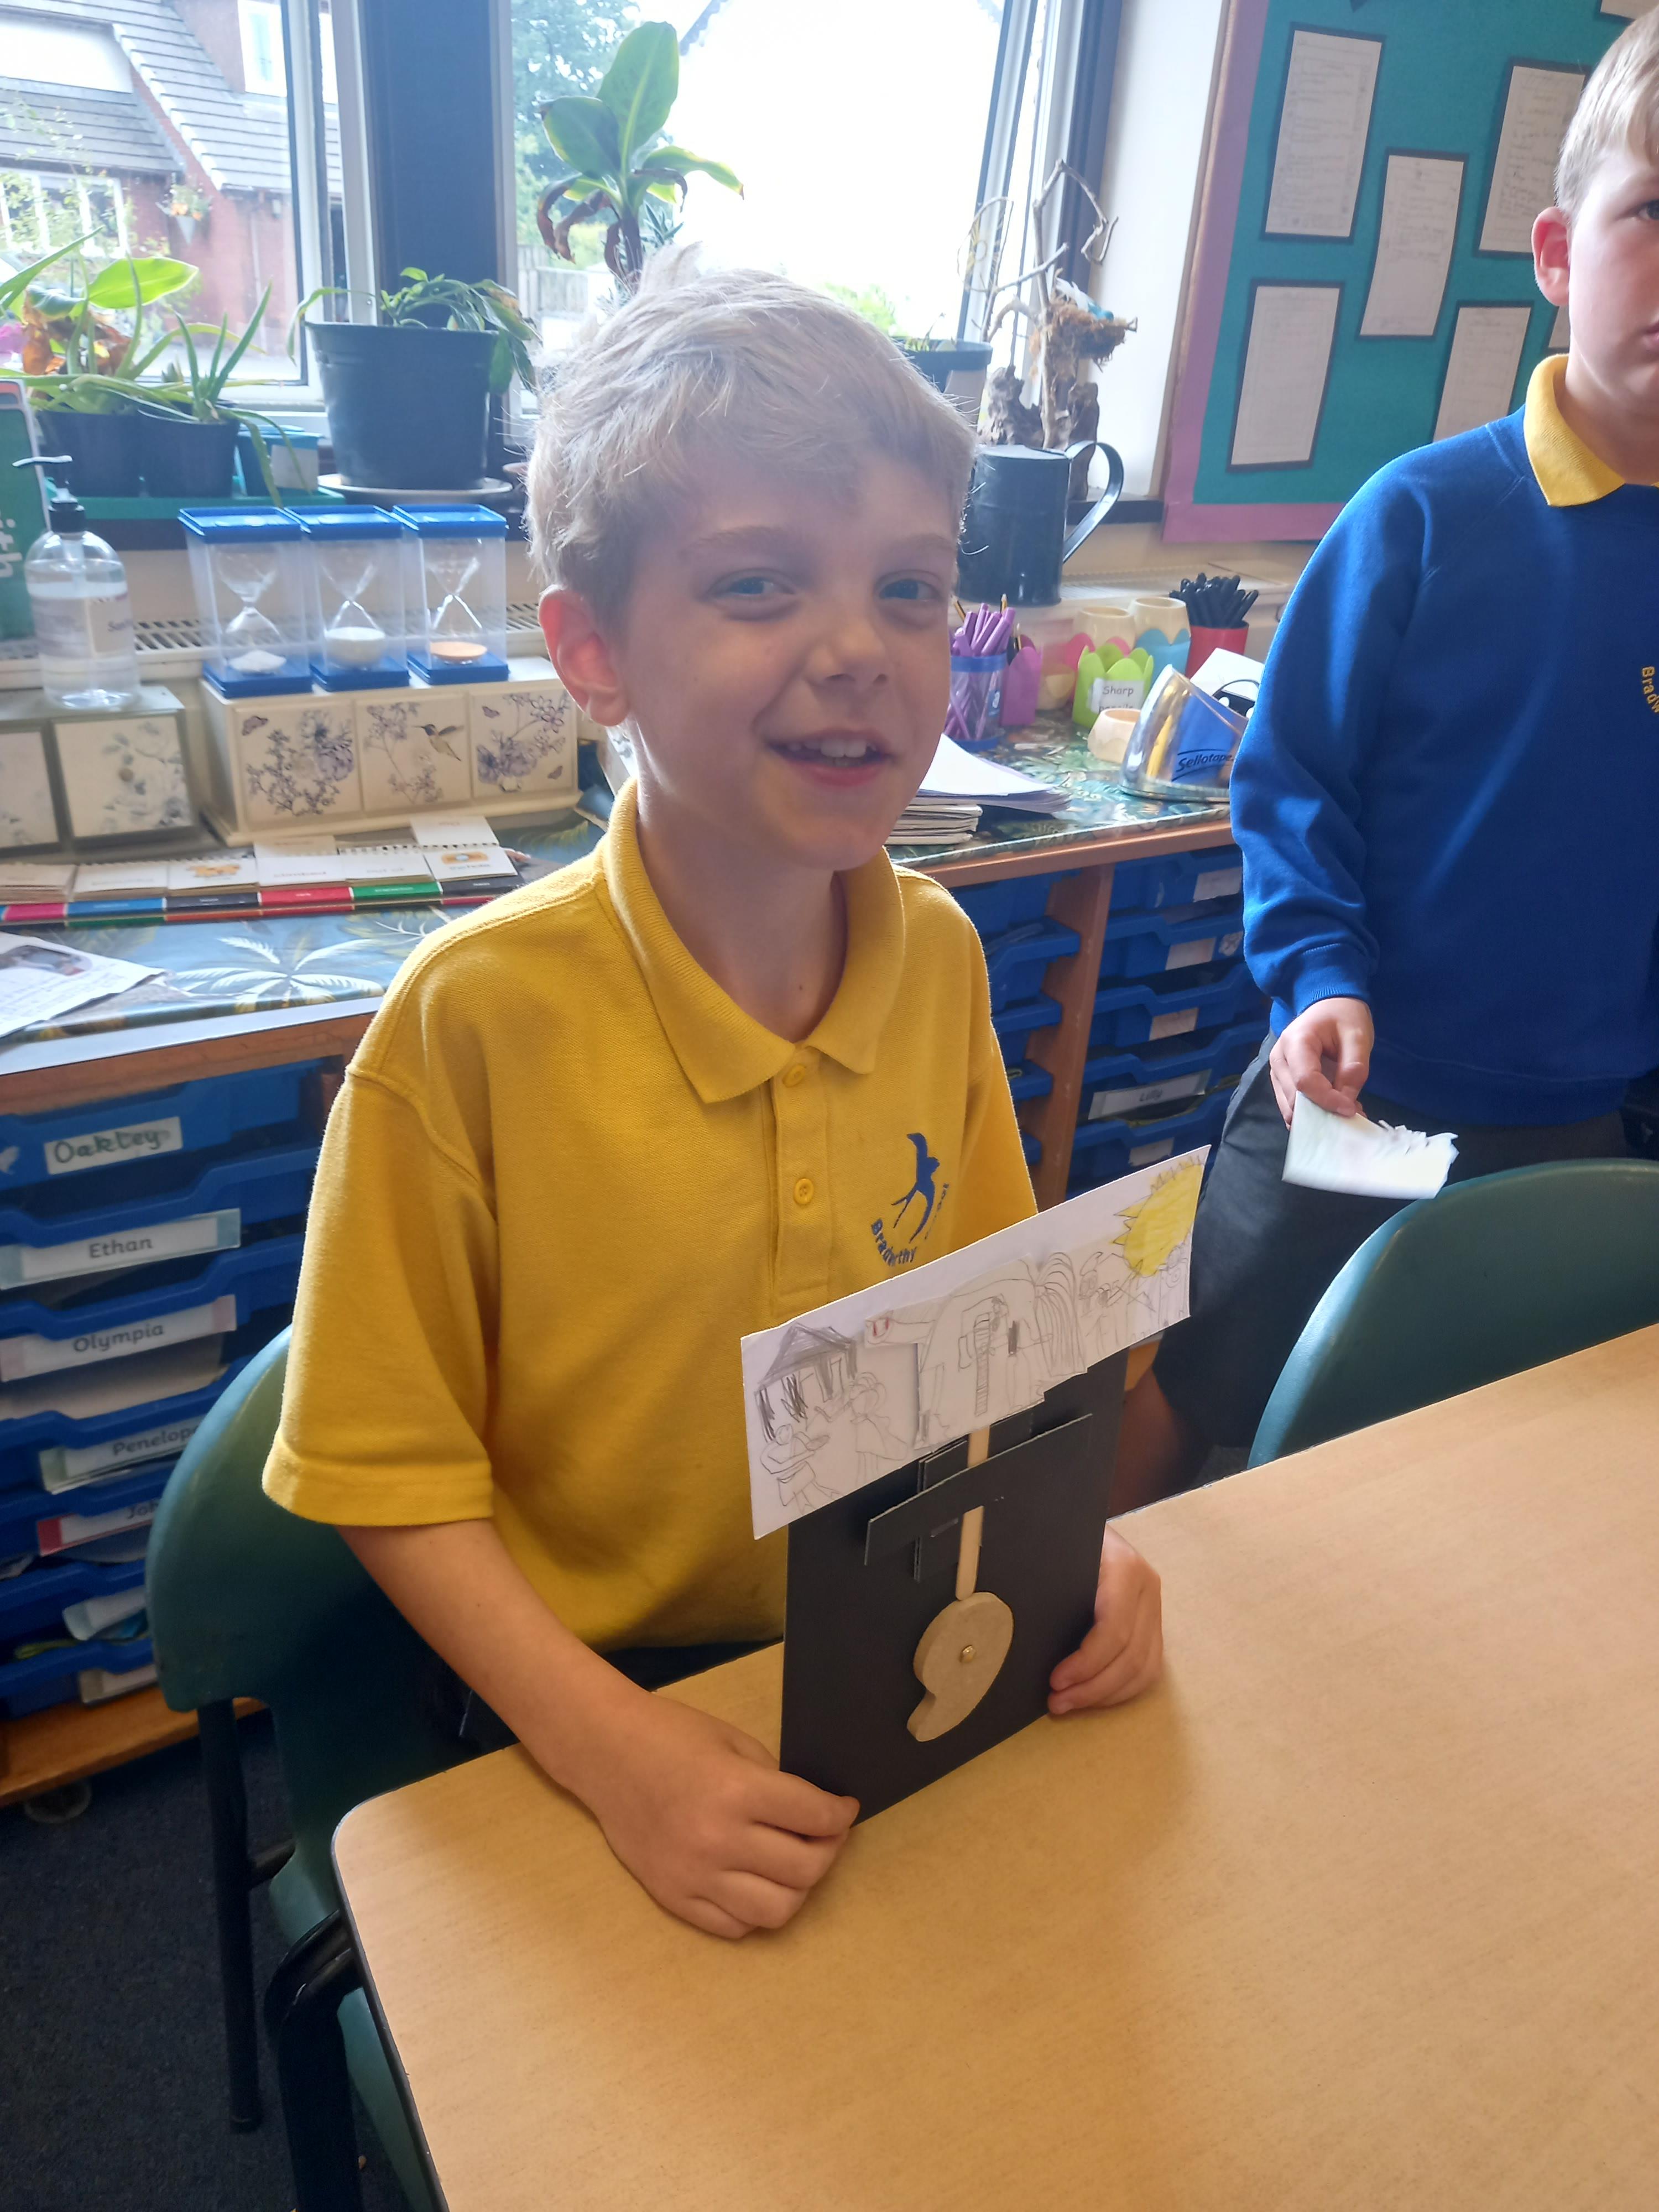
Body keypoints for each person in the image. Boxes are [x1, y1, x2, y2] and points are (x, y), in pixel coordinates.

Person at [264, 262, 1164, 1941]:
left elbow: (996, 1339)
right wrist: (611, 1751)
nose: (857, 651)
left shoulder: (938, 956)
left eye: (910, 589)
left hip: (882, 1639)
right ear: (592, 651)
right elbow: (384, 1476)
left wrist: (1061, 1552)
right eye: (758, 585)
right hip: (586, 1697)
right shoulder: (472, 1023)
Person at [1114, 17, 1659, 1510]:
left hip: (1590, 1117)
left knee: (1479, 1438)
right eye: (1654, 213)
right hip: (1362, 1093)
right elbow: (1292, 783)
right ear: (1559, 253)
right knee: (1204, 1382)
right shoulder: (1422, 517)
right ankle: (1065, 1613)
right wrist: (1315, 975)